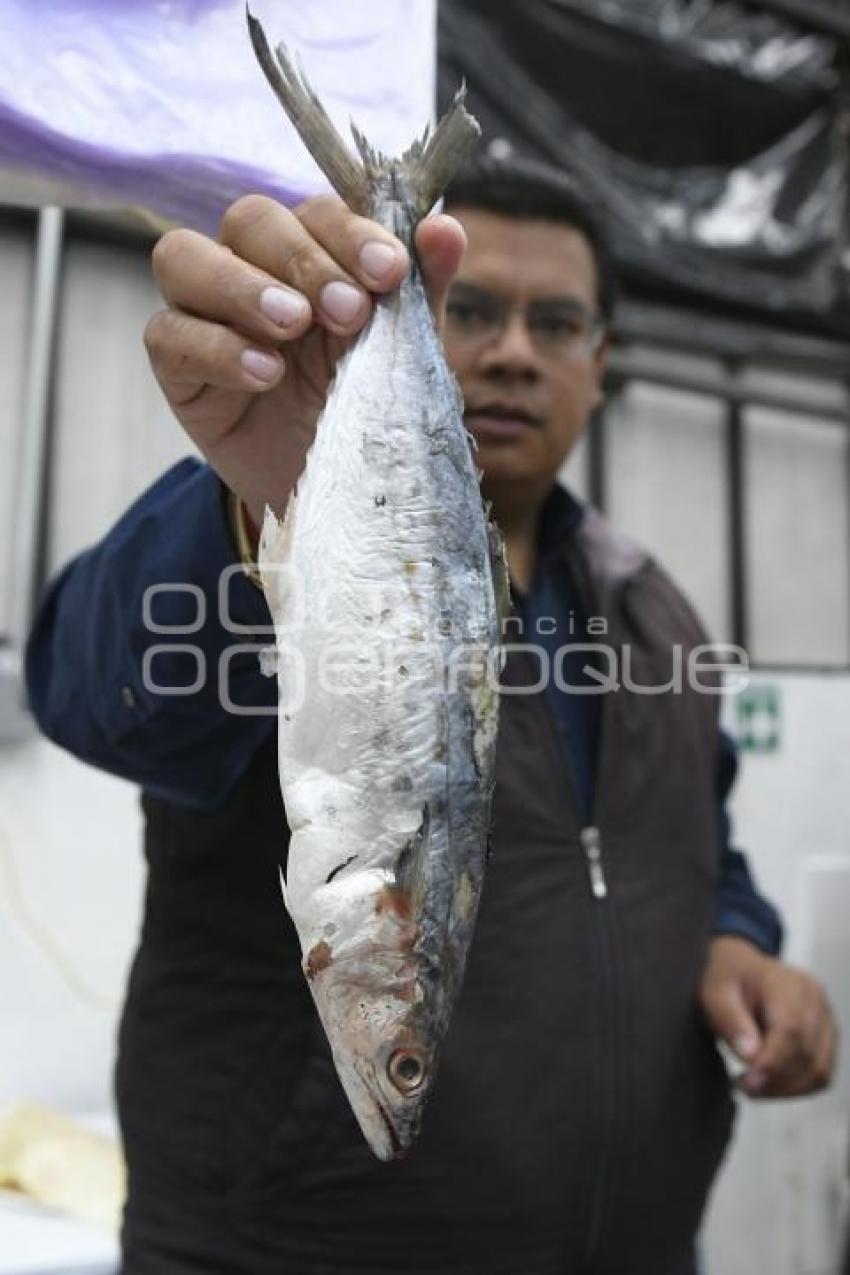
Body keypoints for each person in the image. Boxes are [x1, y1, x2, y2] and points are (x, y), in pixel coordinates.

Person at [26, 154, 837, 1275]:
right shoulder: (259, 525)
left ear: (600, 363)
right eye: (471, 311)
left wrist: (735, 942)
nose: (511, 351)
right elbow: (84, 693)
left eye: (555, 322)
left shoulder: (655, 612)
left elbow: (697, 844)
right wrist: (248, 507)